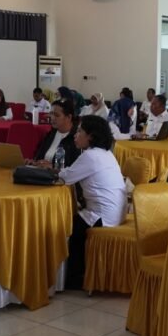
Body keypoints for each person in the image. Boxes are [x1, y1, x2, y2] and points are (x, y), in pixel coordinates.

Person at [57, 115, 127, 290]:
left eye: (80, 131)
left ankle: (73, 277)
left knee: (63, 226)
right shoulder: (106, 153)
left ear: (91, 136)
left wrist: (49, 170)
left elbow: (66, 178)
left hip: (102, 216)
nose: (75, 135)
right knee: (74, 220)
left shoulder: (90, 156)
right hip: (117, 213)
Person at [30, 99, 79, 168]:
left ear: (69, 117)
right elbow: (38, 156)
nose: (52, 118)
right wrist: (33, 162)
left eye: (57, 115)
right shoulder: (50, 134)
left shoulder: (77, 138)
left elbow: (75, 168)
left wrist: (52, 167)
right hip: (41, 171)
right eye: (51, 113)